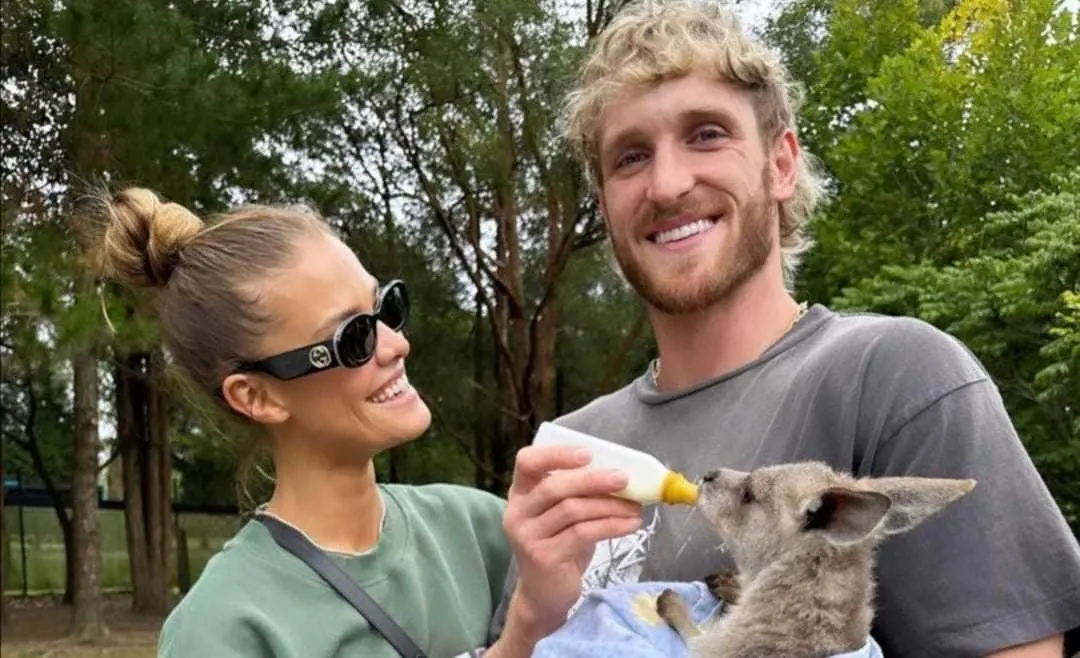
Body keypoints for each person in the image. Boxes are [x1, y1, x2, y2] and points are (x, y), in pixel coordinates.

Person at [491, 1, 1080, 656]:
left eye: (706, 134)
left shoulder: (894, 377)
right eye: (630, 157)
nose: (667, 183)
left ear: (781, 164)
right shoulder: (573, 449)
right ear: (605, 204)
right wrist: (530, 617)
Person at [93, 188, 642, 657]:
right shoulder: (224, 629)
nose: (397, 344)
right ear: (256, 396)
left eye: (387, 309)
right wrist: (522, 633)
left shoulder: (483, 530)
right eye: (353, 337)